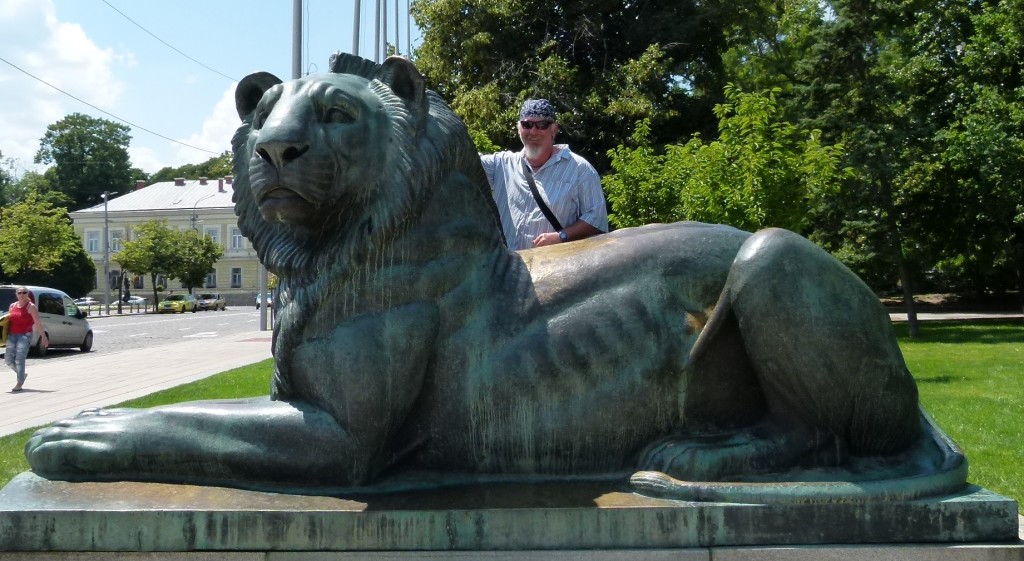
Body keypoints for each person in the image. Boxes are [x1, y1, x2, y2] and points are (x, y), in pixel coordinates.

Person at [481, 99, 608, 251]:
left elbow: (596, 220)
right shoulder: (500, 165)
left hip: (558, 267)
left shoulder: (580, 169)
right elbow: (459, 158)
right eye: (527, 124)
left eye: (541, 125)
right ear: (519, 128)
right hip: (511, 269)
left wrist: (561, 236)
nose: (533, 131)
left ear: (554, 128)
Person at [5, 286, 47, 392]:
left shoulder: (31, 306)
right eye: (19, 292)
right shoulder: (12, 306)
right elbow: (7, 322)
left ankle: (19, 383)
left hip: (24, 335)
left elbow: (37, 322)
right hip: (12, 335)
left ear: (27, 294)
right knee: (8, 360)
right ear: (16, 294)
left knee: (19, 359)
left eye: (24, 292)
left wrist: (43, 337)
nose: (22, 294)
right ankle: (22, 374)